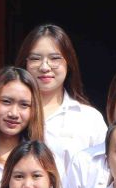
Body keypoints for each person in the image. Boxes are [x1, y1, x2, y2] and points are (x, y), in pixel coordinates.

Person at [18, 23, 107, 165]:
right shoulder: (12, 115)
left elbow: (103, 171)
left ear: (68, 63)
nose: (45, 67)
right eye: (35, 58)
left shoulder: (89, 119)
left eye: (54, 58)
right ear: (25, 64)